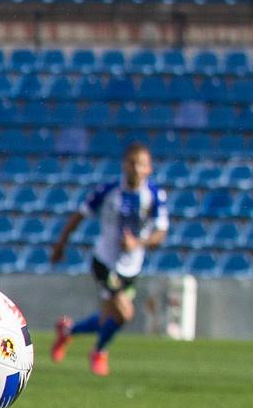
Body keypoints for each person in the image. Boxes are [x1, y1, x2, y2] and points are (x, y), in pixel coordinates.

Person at [49, 142, 169, 375]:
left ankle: (68, 332)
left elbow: (160, 234)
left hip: (131, 268)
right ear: (125, 165)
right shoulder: (109, 191)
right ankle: (99, 352)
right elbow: (78, 216)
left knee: (108, 318)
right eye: (132, 163)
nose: (136, 168)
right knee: (125, 313)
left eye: (141, 164)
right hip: (104, 262)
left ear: (149, 169)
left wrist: (138, 243)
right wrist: (60, 245)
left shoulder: (154, 195)